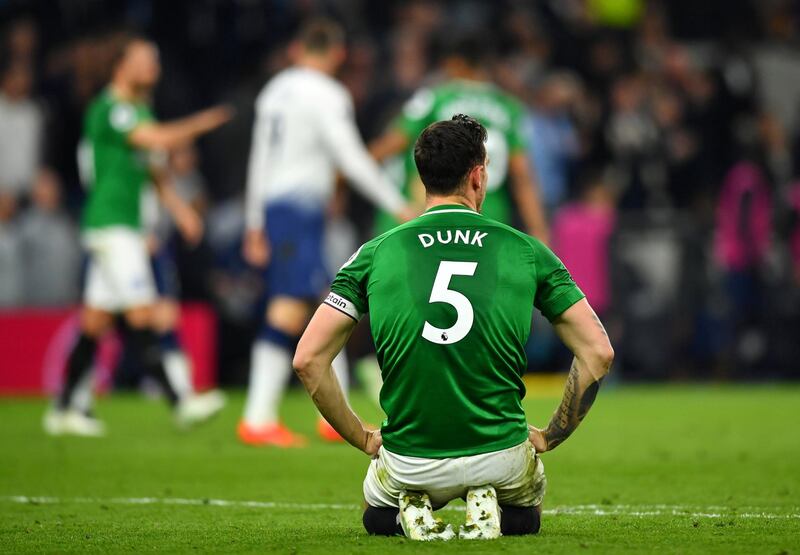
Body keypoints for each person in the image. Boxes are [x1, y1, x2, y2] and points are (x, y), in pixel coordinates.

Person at [293, 115, 613, 540]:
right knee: (525, 514)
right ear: (478, 176)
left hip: (410, 457)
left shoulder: (375, 254)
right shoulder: (526, 250)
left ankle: (411, 503)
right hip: (501, 452)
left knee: (375, 515)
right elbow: (598, 351)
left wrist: (363, 437)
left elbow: (308, 359)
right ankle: (490, 497)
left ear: (423, 177)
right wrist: (552, 434)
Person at [44, 34, 232, 436]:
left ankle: (63, 409)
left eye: (156, 59)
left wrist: (181, 212)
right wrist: (202, 123)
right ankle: (181, 402)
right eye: (146, 59)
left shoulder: (138, 110)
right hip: (112, 224)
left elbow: (155, 171)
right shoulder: (112, 110)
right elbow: (157, 140)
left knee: (95, 322)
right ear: (121, 64)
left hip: (125, 226)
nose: (153, 67)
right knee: (144, 312)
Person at [239, 18, 413, 447]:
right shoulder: (327, 93)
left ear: (298, 49)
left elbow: (259, 158)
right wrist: (396, 203)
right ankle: (258, 418)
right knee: (290, 305)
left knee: (324, 301)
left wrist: (253, 222)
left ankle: (332, 416)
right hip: (299, 210)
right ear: (338, 54)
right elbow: (350, 156)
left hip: (280, 209)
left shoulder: (275, 90)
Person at [370, 35, 549, 243]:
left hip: (438, 216)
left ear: (455, 63)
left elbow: (395, 141)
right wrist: (539, 230)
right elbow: (522, 175)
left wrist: (351, 166)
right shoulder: (510, 108)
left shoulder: (437, 98)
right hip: (489, 218)